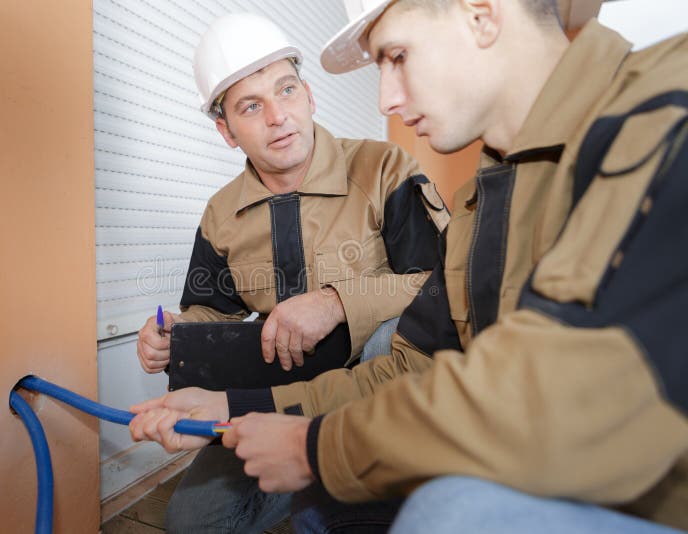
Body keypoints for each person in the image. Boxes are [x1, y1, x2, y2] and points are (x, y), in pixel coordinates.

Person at [130, 0, 688, 532]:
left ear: (482, 15)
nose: (385, 100)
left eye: (397, 56)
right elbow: (411, 367)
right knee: (275, 514)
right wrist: (232, 400)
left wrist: (320, 433)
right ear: (225, 129)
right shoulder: (482, 202)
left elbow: (564, 404)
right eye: (250, 105)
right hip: (362, 404)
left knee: (442, 512)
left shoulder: (664, 109)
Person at [135, 11, 450, 533]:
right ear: (226, 130)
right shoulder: (220, 214)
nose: (278, 117)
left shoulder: (384, 169)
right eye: (251, 106)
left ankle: (353, 499)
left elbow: (436, 285)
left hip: (377, 399)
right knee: (192, 522)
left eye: (286, 91)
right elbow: (210, 309)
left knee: (393, 337)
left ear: (310, 96)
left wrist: (334, 302)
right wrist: (170, 332)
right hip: (272, 401)